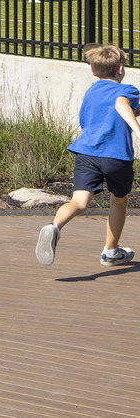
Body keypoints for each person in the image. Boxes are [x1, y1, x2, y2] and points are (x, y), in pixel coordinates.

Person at [36, 45, 140, 269]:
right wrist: (137, 128)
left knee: (79, 202)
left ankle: (54, 227)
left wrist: (135, 111)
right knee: (119, 200)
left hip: (86, 153)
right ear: (121, 69)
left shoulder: (92, 90)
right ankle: (111, 251)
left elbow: (120, 108)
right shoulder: (129, 90)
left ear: (94, 71)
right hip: (115, 155)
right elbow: (121, 104)